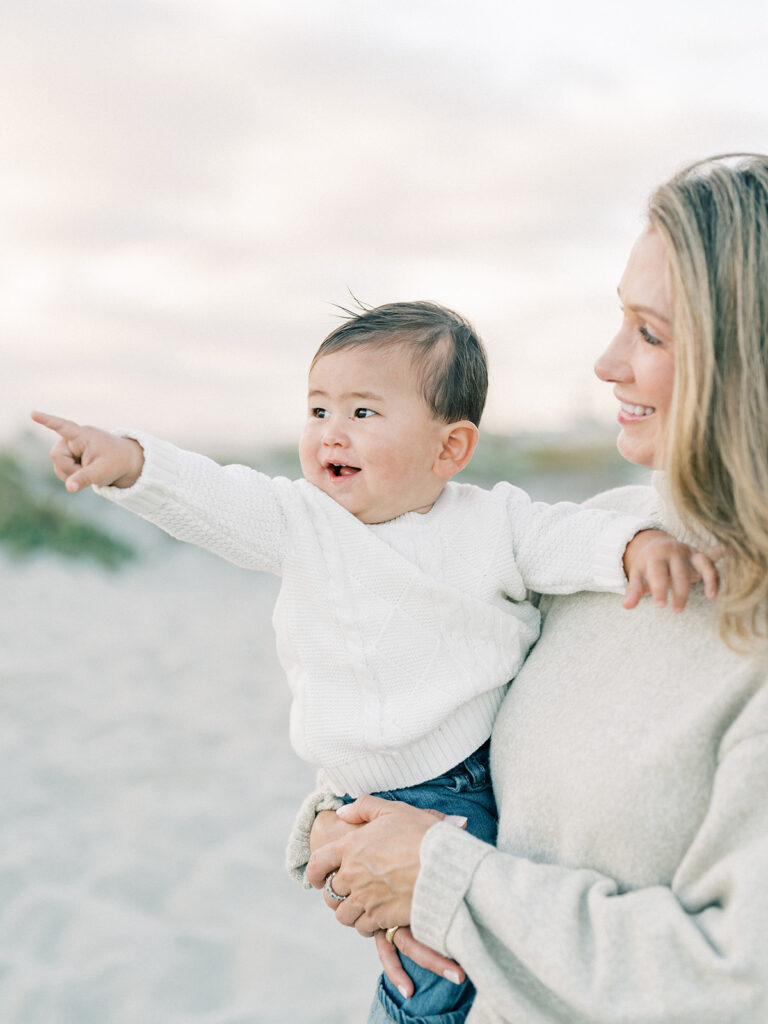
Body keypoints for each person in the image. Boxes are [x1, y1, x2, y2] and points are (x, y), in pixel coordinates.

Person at [33, 302, 714, 1024]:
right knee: (424, 970)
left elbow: (566, 536)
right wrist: (132, 464)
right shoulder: (304, 523)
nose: (332, 431)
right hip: (357, 796)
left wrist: (635, 545)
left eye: (363, 412)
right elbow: (218, 497)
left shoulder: (491, 521)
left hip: (467, 782)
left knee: (445, 974)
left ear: (449, 449)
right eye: (319, 408)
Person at [302, 154, 768, 1024]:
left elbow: (738, 983)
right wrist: (355, 833)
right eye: (618, 321)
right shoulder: (608, 543)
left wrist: (440, 879)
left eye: (651, 334)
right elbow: (443, 692)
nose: (606, 363)